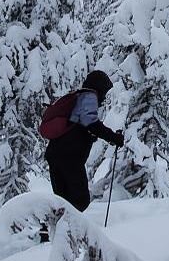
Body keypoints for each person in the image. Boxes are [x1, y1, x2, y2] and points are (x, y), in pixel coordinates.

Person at [45, 69, 125, 213]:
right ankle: (65, 230)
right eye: (104, 92)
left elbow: (83, 126)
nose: (104, 97)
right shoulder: (89, 96)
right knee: (79, 200)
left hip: (56, 154)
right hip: (69, 157)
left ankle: (55, 231)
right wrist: (113, 137)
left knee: (64, 201)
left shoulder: (79, 98)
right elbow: (91, 123)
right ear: (99, 87)